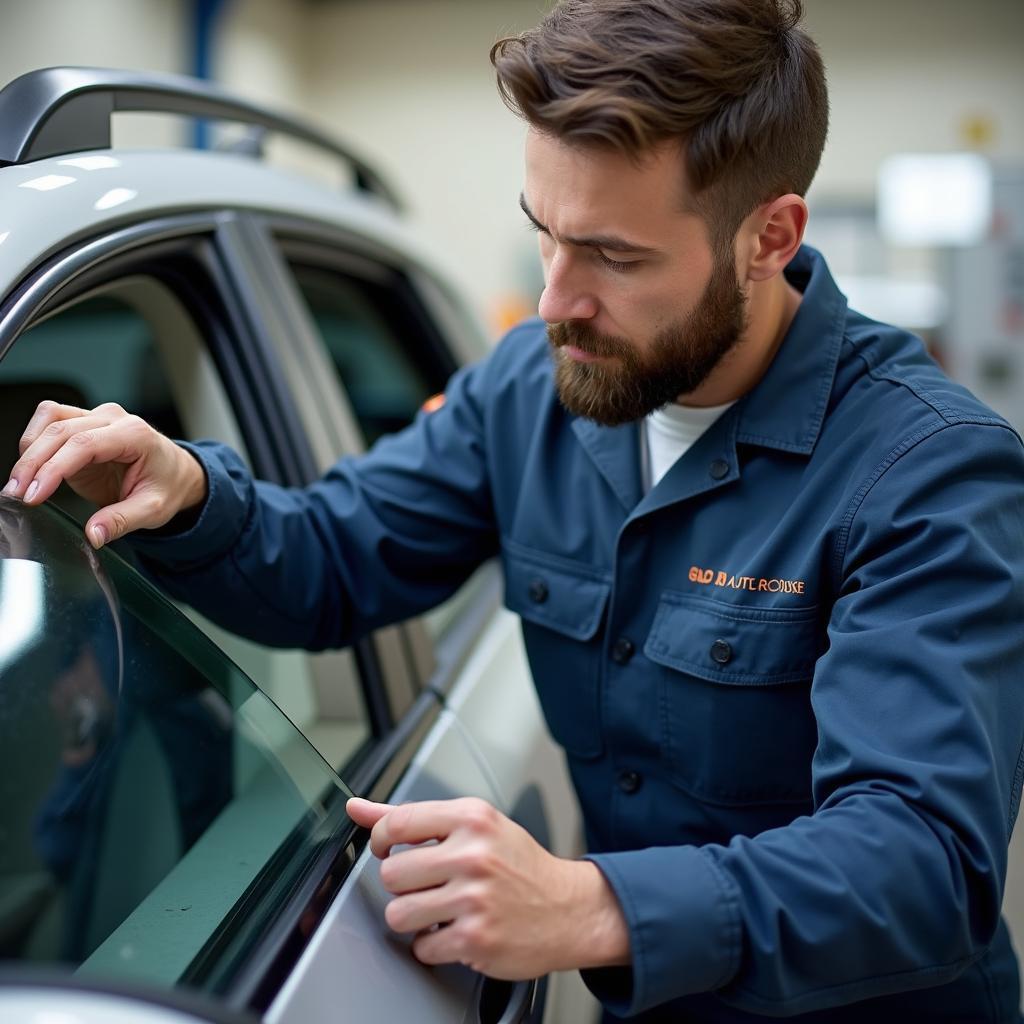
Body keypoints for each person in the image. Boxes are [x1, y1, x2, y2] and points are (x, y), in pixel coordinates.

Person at [4, 0, 1024, 1019]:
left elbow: (924, 862)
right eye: (544, 234)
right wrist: (186, 491)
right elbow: (331, 559)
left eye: (613, 257)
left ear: (770, 236)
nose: (552, 301)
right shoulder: (530, 390)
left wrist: (593, 904)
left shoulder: (927, 470)